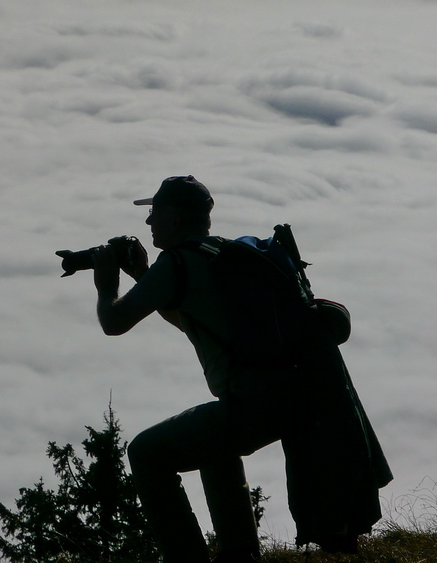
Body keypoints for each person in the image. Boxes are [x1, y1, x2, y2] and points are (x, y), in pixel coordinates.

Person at [90, 176, 295, 563]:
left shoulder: (177, 261)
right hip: (286, 395)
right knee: (214, 447)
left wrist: (106, 287)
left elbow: (114, 323)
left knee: (147, 454)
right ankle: (241, 556)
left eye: (154, 213)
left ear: (175, 218)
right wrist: (143, 277)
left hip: (249, 403)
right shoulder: (218, 252)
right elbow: (193, 320)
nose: (148, 223)